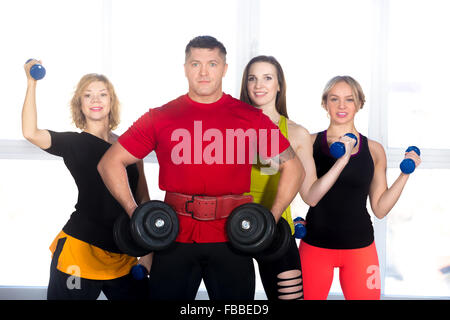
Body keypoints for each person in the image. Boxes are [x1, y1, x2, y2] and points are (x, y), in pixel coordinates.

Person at [97, 36, 305, 300]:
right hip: (174, 238)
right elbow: (110, 163)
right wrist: (134, 213)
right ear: (185, 68)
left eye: (212, 64)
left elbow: (294, 168)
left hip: (233, 239)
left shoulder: (251, 118)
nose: (204, 72)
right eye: (196, 64)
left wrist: (272, 218)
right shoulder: (160, 117)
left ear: (225, 69)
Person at [21, 61, 152, 300]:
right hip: (79, 253)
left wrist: (149, 252)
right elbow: (30, 132)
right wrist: (32, 83)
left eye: (102, 94)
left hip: (121, 253)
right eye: (88, 95)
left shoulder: (129, 146)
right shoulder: (73, 143)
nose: (95, 100)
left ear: (111, 102)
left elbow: (143, 199)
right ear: (79, 104)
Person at [296, 75, 421, 300]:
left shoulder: (374, 150)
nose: (342, 106)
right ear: (325, 103)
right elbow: (308, 196)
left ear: (360, 103)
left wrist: (405, 174)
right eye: (334, 99)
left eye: (349, 99)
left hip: (360, 248)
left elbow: (380, 208)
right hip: (316, 245)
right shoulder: (309, 143)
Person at [240, 55, 307, 300]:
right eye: (252, 78)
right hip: (235, 228)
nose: (259, 85)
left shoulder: (298, 133)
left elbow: (310, 194)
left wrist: (340, 163)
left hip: (277, 231)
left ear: (279, 85)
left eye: (267, 78)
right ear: (246, 86)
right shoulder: (230, 130)